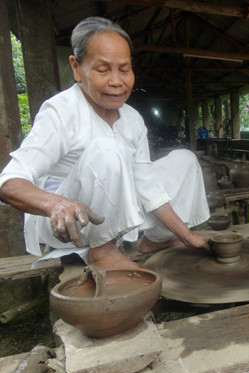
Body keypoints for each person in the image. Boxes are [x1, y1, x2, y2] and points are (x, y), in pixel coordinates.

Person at [0, 17, 210, 269]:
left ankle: (158, 240)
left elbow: (147, 185)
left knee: (183, 160)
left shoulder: (132, 119)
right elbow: (9, 182)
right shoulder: (61, 111)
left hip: (116, 217)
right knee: (107, 148)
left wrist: (185, 236)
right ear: (76, 67)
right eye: (103, 70)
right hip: (71, 226)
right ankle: (101, 252)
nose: (116, 81)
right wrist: (55, 204)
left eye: (124, 69)